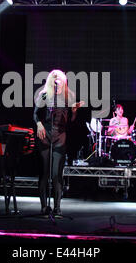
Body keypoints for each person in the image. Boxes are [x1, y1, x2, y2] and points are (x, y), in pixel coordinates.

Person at [33, 69, 84, 217]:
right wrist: (39, 124)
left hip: (60, 136)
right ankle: (44, 207)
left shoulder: (69, 97)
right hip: (45, 135)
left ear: (63, 81)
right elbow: (35, 114)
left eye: (60, 79)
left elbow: (71, 122)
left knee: (56, 174)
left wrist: (74, 111)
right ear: (51, 81)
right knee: (44, 173)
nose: (57, 81)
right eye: (54, 78)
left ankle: (57, 207)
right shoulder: (44, 95)